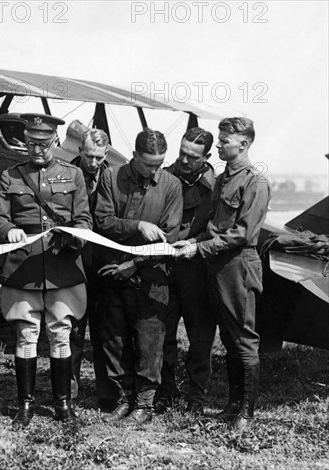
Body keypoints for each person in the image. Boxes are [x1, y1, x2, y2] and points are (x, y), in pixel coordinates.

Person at [0, 113, 92, 427]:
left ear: (55, 141)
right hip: (23, 267)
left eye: (44, 144)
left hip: (62, 266)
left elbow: (84, 220)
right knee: (26, 333)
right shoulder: (11, 176)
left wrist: (73, 238)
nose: (37, 150)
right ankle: (25, 405)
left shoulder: (73, 175)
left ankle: (62, 404)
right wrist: (8, 231)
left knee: (60, 334)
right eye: (31, 143)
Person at [175, 117, 270, 431]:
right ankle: (232, 406)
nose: (217, 146)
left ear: (242, 144)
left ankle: (246, 413)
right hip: (218, 265)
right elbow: (214, 227)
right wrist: (192, 240)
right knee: (230, 341)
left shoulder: (255, 182)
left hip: (238, 266)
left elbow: (242, 234)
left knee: (243, 340)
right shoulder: (223, 179)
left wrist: (198, 250)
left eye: (223, 142)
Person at [94, 128, 182, 424]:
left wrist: (135, 263)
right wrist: (138, 226)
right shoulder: (111, 176)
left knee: (149, 342)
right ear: (133, 156)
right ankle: (122, 399)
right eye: (148, 164)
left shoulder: (171, 185)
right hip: (112, 274)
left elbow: (169, 237)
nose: (155, 170)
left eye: (159, 163)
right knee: (114, 339)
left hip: (150, 276)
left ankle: (144, 404)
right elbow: (103, 221)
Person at [155, 127, 217, 415]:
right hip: (165, 266)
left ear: (205, 157)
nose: (183, 159)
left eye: (192, 156)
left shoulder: (217, 186)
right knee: (162, 333)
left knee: (200, 337)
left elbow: (220, 230)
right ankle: (165, 393)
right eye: (181, 152)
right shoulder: (164, 176)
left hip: (197, 268)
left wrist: (193, 243)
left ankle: (196, 398)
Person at [68, 128, 115, 407]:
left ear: (106, 154)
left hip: (105, 265)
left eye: (99, 157)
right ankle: (68, 392)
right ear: (79, 151)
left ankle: (107, 394)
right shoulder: (66, 174)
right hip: (74, 262)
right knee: (72, 329)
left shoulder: (115, 178)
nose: (93, 163)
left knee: (105, 331)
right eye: (88, 156)